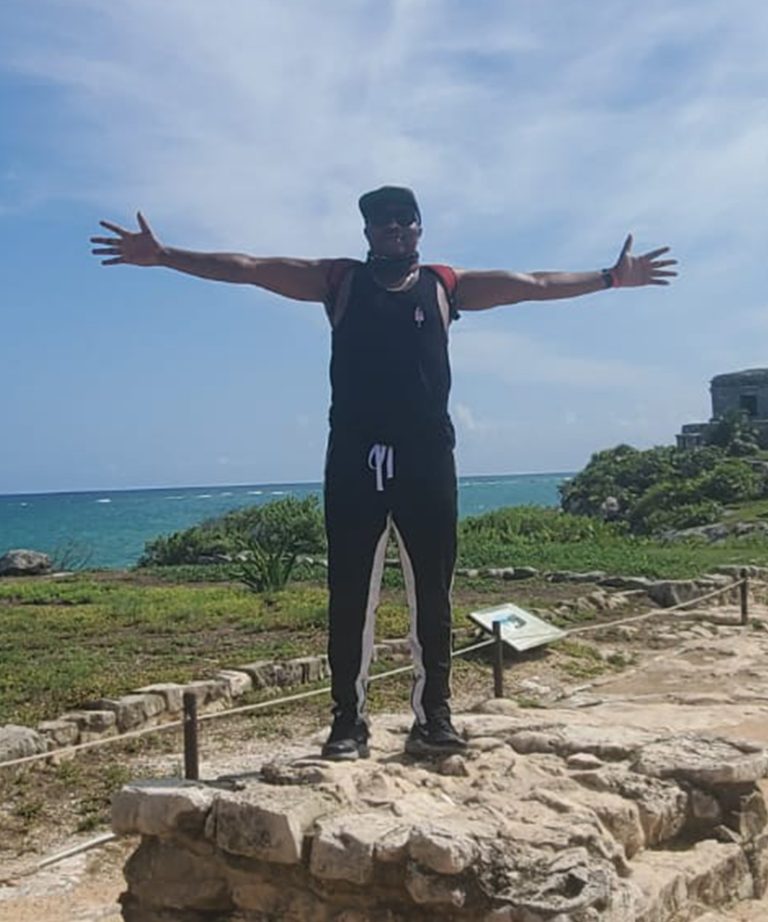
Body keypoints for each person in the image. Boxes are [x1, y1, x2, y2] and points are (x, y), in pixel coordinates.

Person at [91, 186, 677, 760]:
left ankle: (434, 717)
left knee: (433, 594)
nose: (393, 227)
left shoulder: (446, 284)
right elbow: (250, 268)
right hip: (354, 456)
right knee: (350, 595)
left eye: (404, 217)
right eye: (381, 220)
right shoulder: (339, 280)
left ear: (419, 227)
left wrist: (609, 277)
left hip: (427, 456)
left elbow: (534, 285)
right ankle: (348, 721)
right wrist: (164, 255)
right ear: (367, 231)